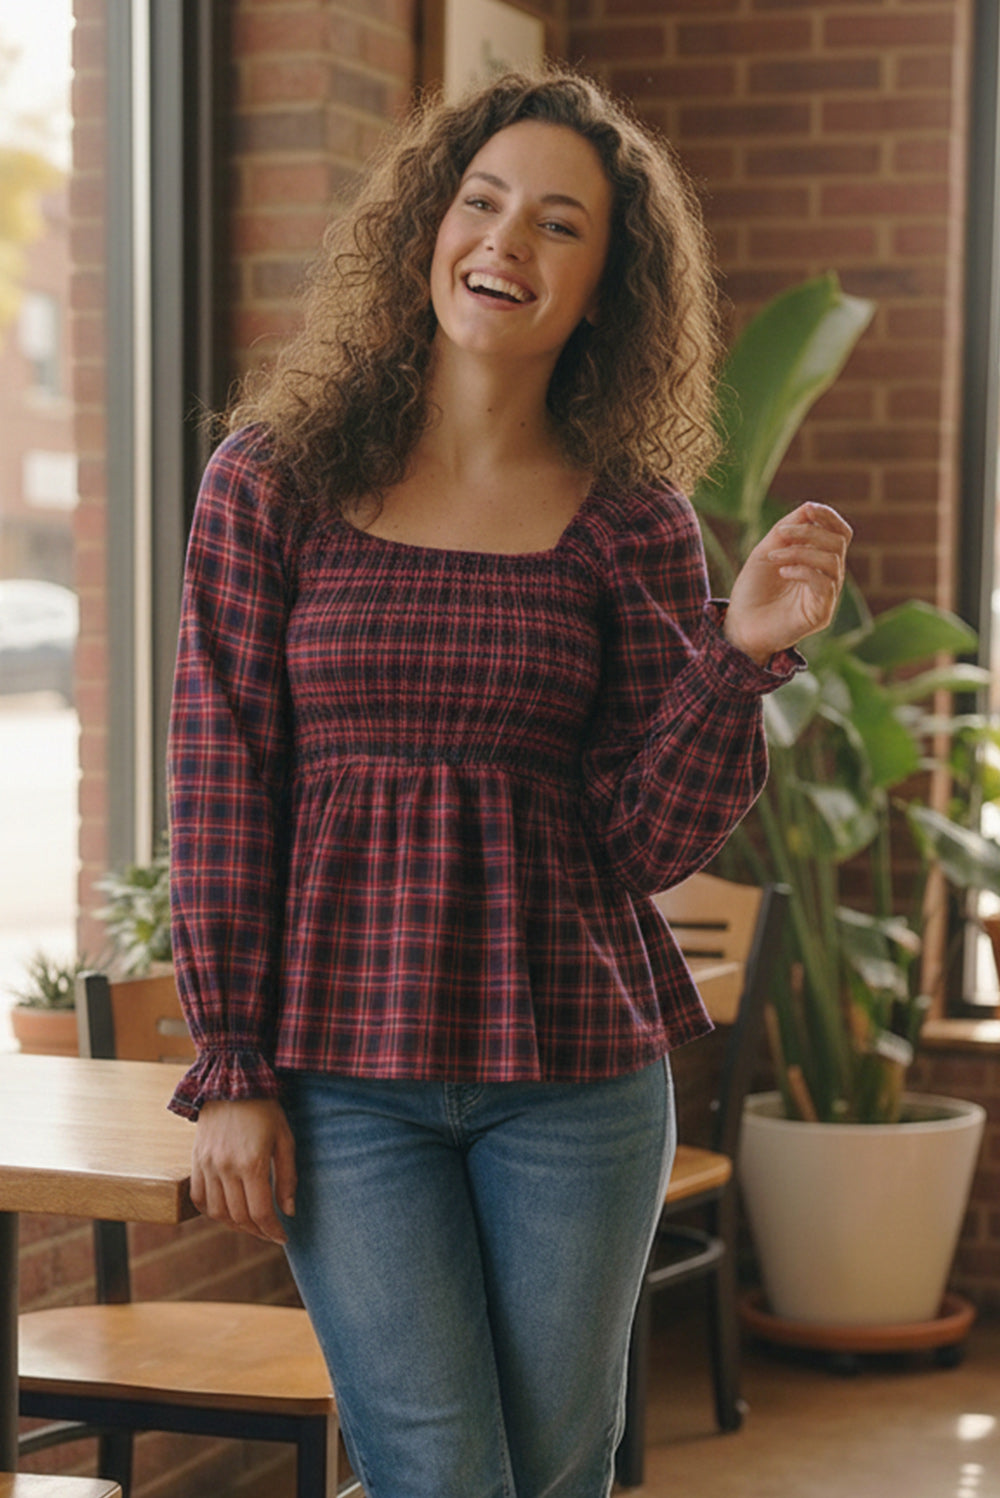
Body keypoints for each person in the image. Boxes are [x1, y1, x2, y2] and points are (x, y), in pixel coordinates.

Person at [167, 66, 850, 1498]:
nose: (506, 243)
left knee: (555, 1470)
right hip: (343, 1078)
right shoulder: (271, 483)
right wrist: (231, 1060)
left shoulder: (632, 521)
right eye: (481, 202)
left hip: (579, 1081)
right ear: (428, 225)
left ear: (605, 286)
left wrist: (735, 658)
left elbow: (643, 842)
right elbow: (221, 787)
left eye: (559, 224)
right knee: (439, 1470)